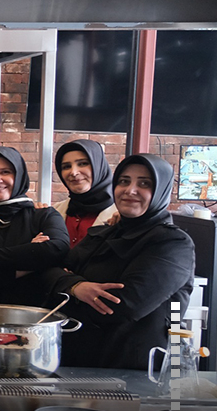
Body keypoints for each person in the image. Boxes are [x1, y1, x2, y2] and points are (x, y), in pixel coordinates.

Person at [42, 155, 195, 369]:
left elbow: (122, 306)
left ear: (161, 190)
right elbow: (47, 273)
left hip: (137, 373)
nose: (130, 190)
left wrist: (61, 291)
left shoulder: (173, 243)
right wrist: (76, 287)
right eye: (124, 181)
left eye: (144, 183)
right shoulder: (104, 233)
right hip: (78, 364)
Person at [0, 146, 70, 307]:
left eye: (5, 172)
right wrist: (33, 260)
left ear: (19, 175)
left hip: (38, 316)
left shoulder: (43, 215)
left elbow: (57, 249)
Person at [52, 139, 117, 247]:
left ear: (98, 166)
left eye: (83, 164)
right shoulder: (56, 211)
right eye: (66, 167)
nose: (73, 172)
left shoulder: (121, 214)